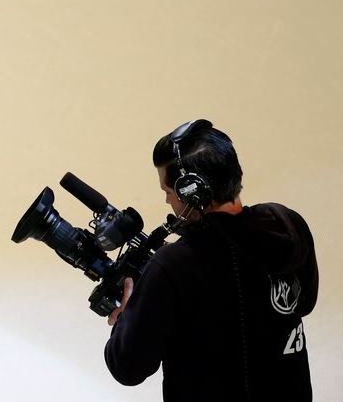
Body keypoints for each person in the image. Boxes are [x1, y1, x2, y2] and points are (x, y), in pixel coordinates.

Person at [104, 119, 318, 401]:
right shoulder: (287, 224)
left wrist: (126, 318)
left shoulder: (174, 265)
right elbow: (305, 302)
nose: (168, 201)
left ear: (192, 191)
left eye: (169, 192)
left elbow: (128, 367)